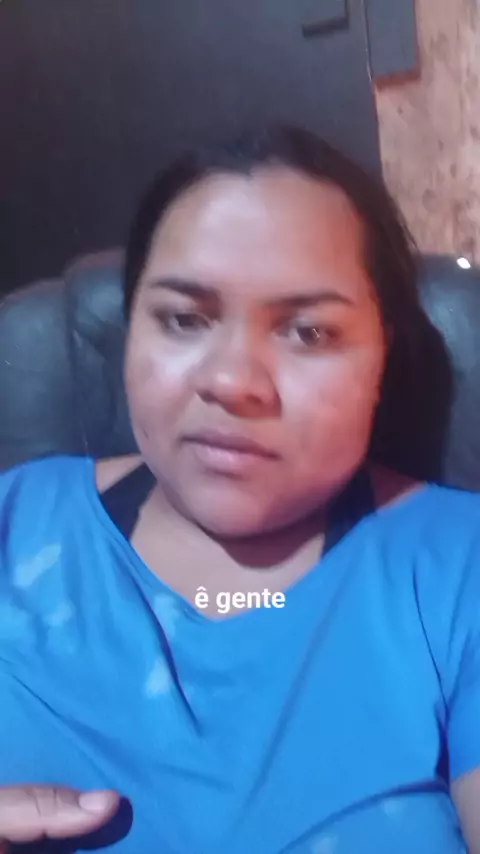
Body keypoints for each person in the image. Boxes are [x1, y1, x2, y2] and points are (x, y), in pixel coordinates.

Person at [1, 126, 480, 854]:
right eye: (184, 319)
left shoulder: (459, 568)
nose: (231, 381)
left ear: (383, 354)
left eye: (309, 333)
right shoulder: (14, 529)